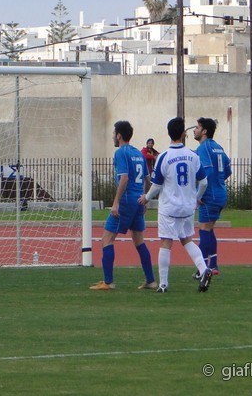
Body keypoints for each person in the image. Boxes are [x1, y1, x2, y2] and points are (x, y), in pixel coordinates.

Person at [139, 117, 212, 294]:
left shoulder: (164, 156)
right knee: (187, 240)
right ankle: (204, 269)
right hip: (187, 208)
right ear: (183, 134)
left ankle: (163, 284)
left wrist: (146, 198)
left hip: (169, 208)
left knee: (166, 242)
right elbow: (204, 182)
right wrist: (196, 199)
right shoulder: (193, 156)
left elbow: (156, 185)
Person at [90, 120, 156, 291]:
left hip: (126, 200)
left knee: (107, 239)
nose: (113, 136)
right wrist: (145, 198)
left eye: (114, 133)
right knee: (139, 240)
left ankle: (108, 282)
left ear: (119, 135)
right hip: (138, 200)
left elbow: (124, 178)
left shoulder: (121, 153)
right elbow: (148, 180)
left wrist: (115, 203)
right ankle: (150, 280)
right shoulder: (138, 153)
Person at [193, 117, 232, 277]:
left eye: (197, 127)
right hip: (220, 193)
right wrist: (218, 181)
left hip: (209, 195)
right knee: (209, 229)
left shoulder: (203, 148)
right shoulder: (218, 147)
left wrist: (199, 194)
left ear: (204, 131)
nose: (194, 130)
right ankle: (213, 265)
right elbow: (228, 170)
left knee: (203, 230)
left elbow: (207, 172)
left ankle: (202, 269)